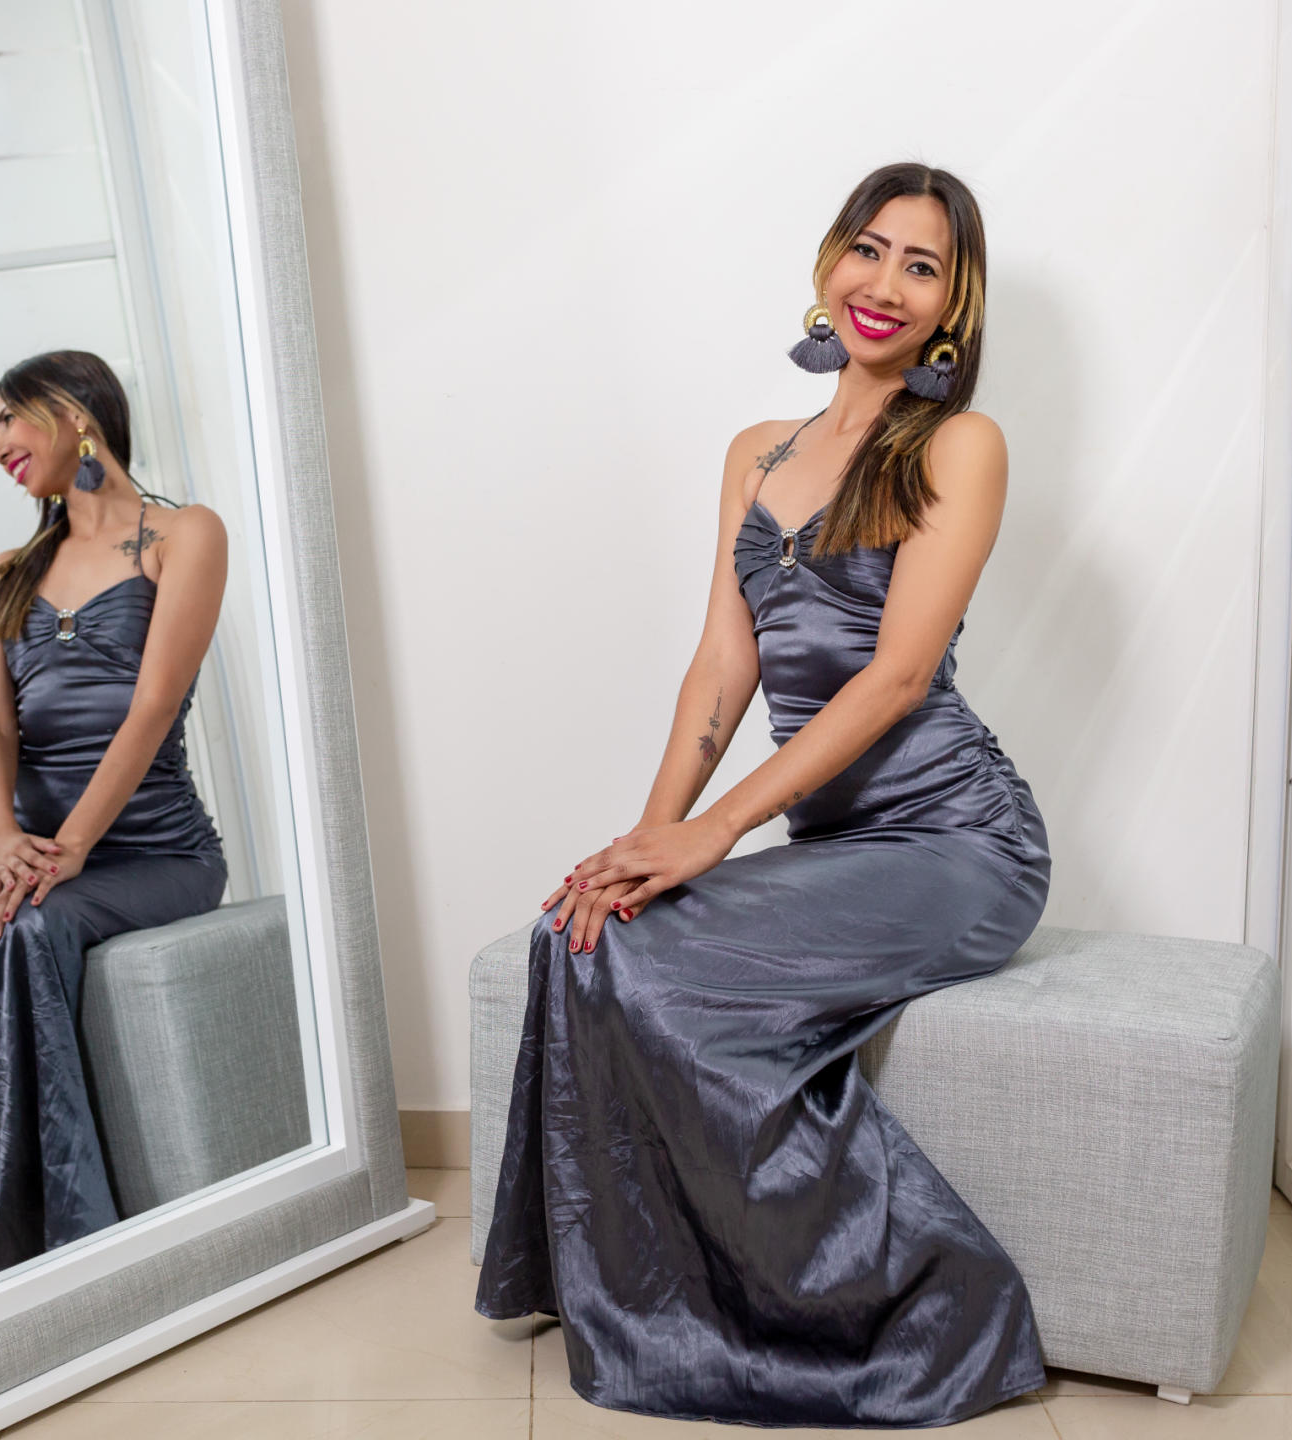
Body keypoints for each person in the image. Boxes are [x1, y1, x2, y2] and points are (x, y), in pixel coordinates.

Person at [475, 163, 1052, 1426]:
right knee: (581, 933)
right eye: (869, 248)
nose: (884, 283)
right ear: (828, 260)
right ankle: (643, 1292)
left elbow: (897, 680)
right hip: (837, 848)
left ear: (955, 305)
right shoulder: (756, 452)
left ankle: (934, 1300)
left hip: (961, 841)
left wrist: (717, 832)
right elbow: (721, 669)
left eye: (922, 266)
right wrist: (647, 838)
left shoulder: (959, 445)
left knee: (636, 947)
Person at [0, 349, 230, 1295]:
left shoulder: (184, 535)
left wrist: (74, 846)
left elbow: (153, 706)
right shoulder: (10, 569)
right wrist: (4, 840)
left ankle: (75, 1247)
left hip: (151, 849)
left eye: (10, 418)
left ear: (76, 411)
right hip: (29, 848)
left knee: (29, 937)